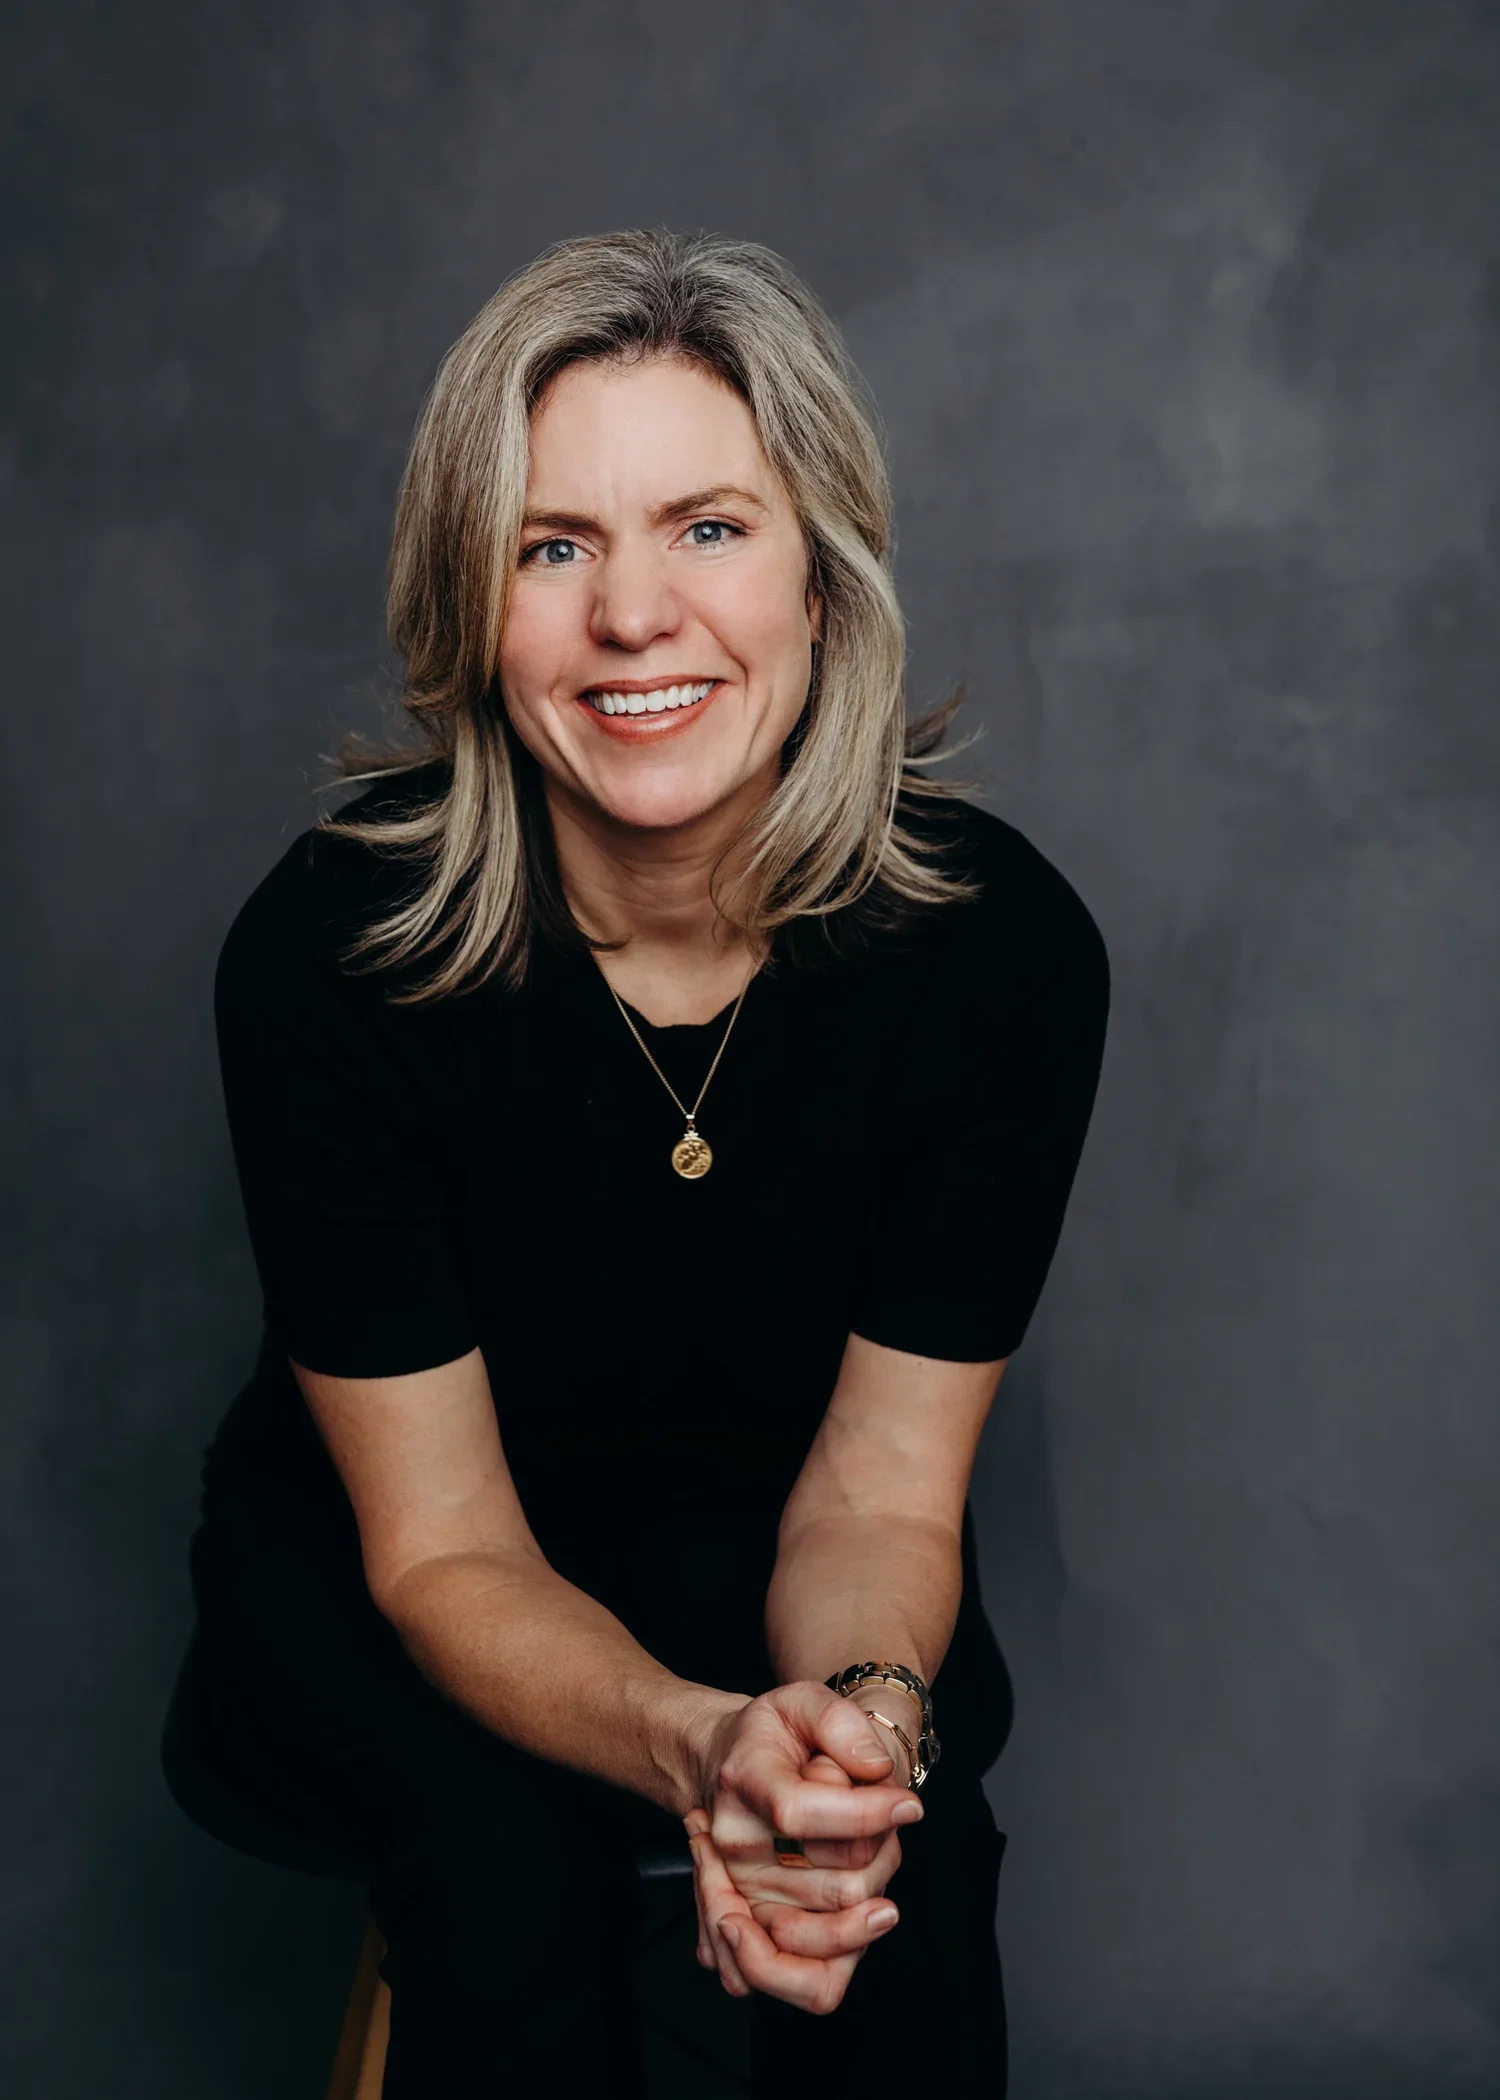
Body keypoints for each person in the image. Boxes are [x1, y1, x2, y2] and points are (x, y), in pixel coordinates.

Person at [163, 228, 1110, 2096]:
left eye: (709, 528)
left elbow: (883, 1504)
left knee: (889, 1864)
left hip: (769, 1552)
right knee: (498, 1866)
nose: (633, 617)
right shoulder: (327, 957)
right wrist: (687, 1741)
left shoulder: (1000, 958)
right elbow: (442, 1547)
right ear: (472, 604)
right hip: (391, 1579)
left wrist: (853, 1734)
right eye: (553, 545)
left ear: (823, 585)